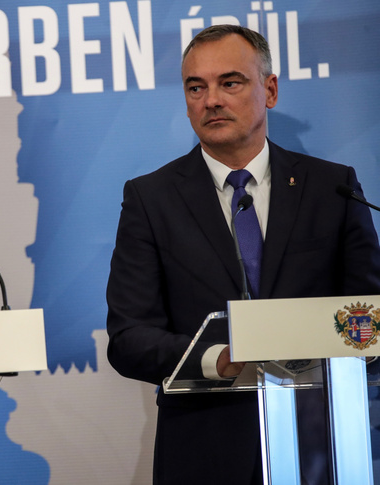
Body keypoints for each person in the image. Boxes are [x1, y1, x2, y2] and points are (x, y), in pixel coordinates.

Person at [106, 25, 380, 484]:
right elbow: (129, 339)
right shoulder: (150, 200)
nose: (211, 99)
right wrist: (219, 357)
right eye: (197, 87)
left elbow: (370, 316)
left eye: (230, 82)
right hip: (204, 450)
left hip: (323, 445)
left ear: (269, 90)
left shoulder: (332, 188)